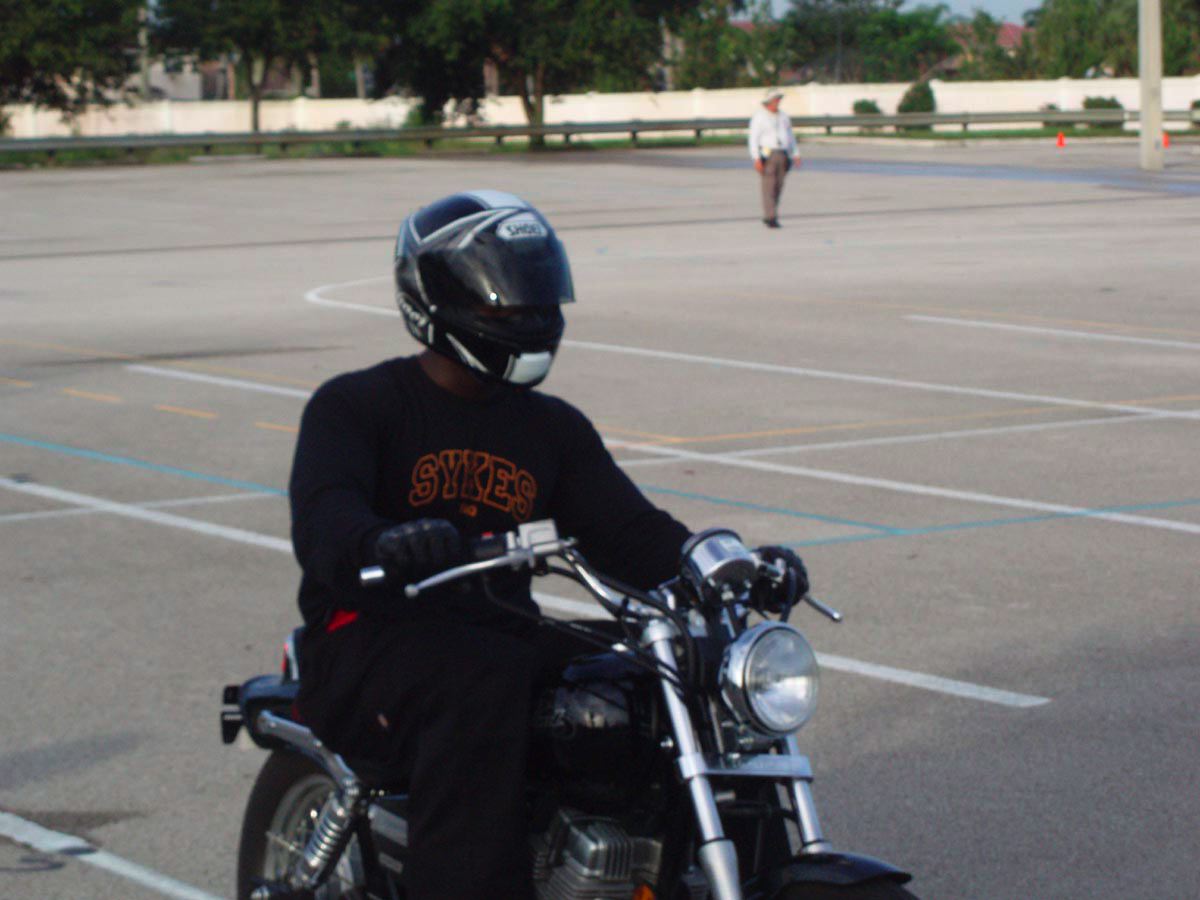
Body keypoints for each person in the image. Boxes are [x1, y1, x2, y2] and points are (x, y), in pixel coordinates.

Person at [287, 190, 809, 900]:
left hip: (499, 634)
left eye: (538, 299)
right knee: (481, 677)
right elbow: (325, 517)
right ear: (438, 300)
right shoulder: (356, 406)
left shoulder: (551, 428)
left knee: (665, 672)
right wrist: (381, 541)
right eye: (508, 305)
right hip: (365, 639)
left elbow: (631, 532)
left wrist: (729, 567)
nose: (530, 318)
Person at [748, 88, 801, 228]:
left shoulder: (783, 116)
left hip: (783, 153)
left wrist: (795, 153)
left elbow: (790, 136)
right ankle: (770, 216)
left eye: (779, 99)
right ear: (769, 101)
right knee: (769, 186)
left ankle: (772, 212)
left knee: (779, 185)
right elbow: (753, 139)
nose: (778, 102)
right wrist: (756, 158)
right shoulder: (759, 117)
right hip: (767, 154)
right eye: (776, 99)